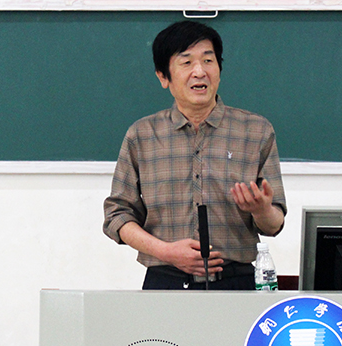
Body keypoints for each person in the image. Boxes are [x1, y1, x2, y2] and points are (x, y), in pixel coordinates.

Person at [103, 20, 287, 290]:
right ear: (163, 77)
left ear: (219, 70)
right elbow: (117, 216)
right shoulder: (142, 135)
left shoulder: (256, 131)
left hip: (237, 284)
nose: (199, 72)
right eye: (186, 62)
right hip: (165, 282)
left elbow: (274, 224)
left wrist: (262, 210)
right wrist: (166, 252)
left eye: (208, 61)